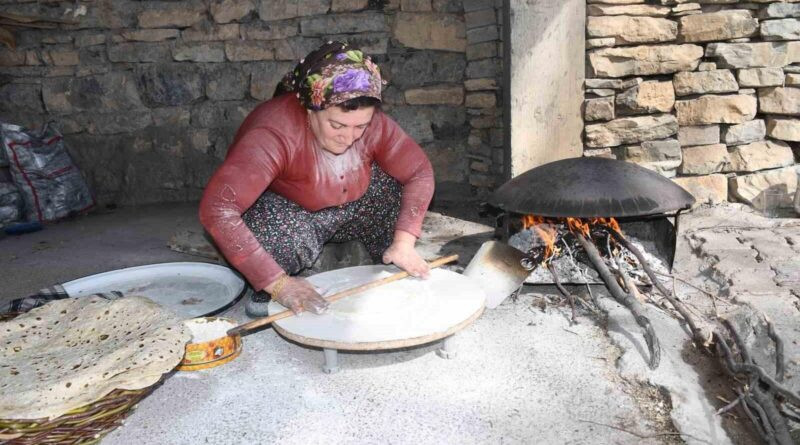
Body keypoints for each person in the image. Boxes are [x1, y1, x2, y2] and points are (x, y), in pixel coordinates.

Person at [199, 41, 435, 318]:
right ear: (310, 110)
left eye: (360, 126)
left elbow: (419, 172)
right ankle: (267, 290)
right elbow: (217, 209)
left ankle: (389, 253)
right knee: (266, 241)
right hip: (293, 215)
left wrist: (404, 242)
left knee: (395, 187)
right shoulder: (273, 132)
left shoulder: (375, 124)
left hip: (354, 209)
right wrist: (279, 284)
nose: (348, 138)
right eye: (336, 125)